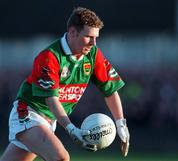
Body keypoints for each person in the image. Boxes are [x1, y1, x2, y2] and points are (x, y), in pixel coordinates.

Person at [0, 7, 130, 161]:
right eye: (89, 37)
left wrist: (121, 124)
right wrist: (71, 129)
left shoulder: (93, 54)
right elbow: (51, 99)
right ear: (73, 32)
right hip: (29, 114)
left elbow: (110, 90)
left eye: (96, 37)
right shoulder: (50, 57)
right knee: (61, 158)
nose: (94, 43)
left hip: (49, 121)